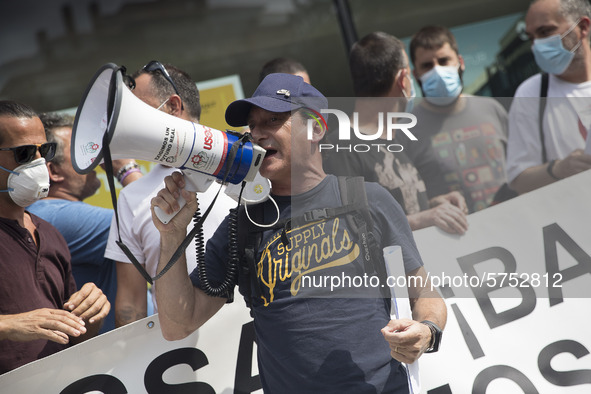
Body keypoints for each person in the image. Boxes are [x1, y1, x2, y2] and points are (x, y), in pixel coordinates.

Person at [150, 73, 447, 392]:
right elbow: (176, 325)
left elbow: (427, 297)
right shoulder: (243, 224)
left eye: (274, 120)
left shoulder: (368, 200)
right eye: (253, 126)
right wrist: (171, 236)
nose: (258, 134)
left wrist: (427, 332)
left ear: (316, 128)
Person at [104, 61, 234, 327]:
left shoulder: (242, 163)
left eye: (139, 111)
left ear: (173, 107)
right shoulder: (130, 199)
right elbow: (131, 303)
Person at [0, 100, 110, 374]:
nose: (40, 163)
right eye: (24, 153)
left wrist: (91, 314)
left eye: (44, 151)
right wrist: (8, 326)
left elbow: (75, 338)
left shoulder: (50, 234)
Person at [323, 31, 469, 235]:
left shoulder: (398, 136)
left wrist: (435, 204)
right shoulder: (340, 147)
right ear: (403, 80)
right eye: (409, 73)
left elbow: (400, 203)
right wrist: (423, 219)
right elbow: (350, 228)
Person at [28, 113, 140, 333]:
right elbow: (152, 220)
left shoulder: (45, 213)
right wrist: (125, 168)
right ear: (53, 171)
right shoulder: (55, 215)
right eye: (81, 150)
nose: (94, 155)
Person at [407, 25, 510, 212]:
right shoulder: (406, 130)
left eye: (444, 60)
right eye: (427, 66)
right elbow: (408, 201)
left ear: (460, 62)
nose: (437, 70)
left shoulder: (492, 109)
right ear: (416, 74)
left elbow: (520, 171)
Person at [506, 0, 591, 194]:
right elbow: (518, 179)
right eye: (531, 37)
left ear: (583, 27)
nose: (537, 45)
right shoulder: (531, 93)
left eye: (545, 32)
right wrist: (559, 169)